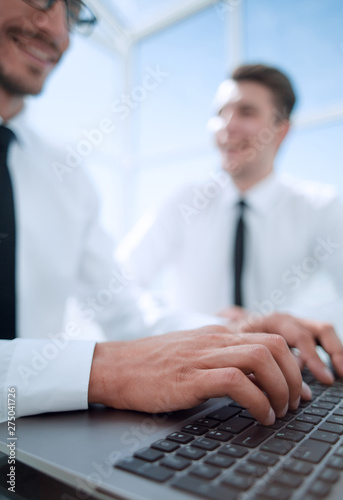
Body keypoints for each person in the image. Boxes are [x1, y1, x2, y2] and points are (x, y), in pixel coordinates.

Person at [1, 1, 343, 427]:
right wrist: (100, 368)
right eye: (41, 0)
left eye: (72, 15)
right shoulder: (183, 200)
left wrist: (235, 335)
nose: (58, 30)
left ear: (282, 129)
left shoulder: (68, 181)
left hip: (29, 436)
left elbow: (125, 308)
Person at [118, 64, 343, 326]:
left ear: (280, 131)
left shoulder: (321, 207)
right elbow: (118, 286)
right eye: (220, 113)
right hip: (193, 360)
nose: (227, 125)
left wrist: (298, 325)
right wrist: (194, 326)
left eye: (246, 112)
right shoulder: (185, 202)